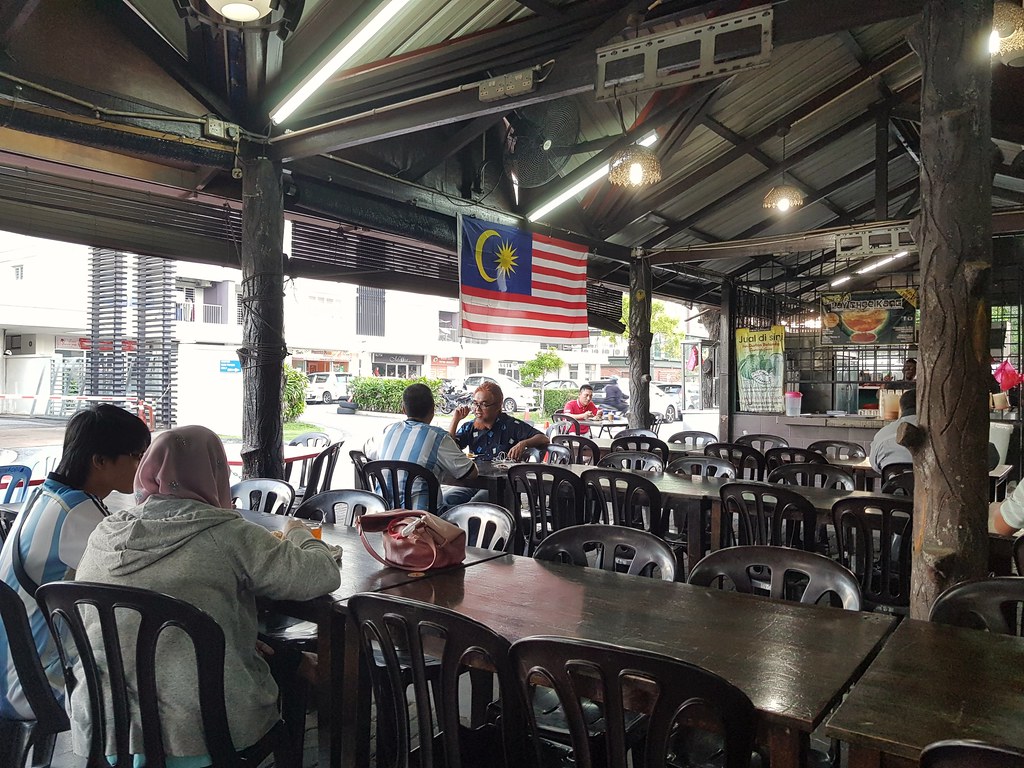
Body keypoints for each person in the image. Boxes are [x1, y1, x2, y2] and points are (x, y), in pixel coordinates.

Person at [69, 426, 341, 763]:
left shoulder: (106, 531)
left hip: (109, 725)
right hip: (202, 730)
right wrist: (300, 534)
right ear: (215, 474)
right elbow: (320, 575)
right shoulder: (228, 533)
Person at [0, 403, 151, 719]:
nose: (143, 465)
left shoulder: (45, 497)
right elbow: (142, 581)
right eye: (137, 456)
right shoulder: (79, 517)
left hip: (10, 669)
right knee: (164, 675)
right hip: (34, 685)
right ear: (100, 461)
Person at [365, 382, 480, 510]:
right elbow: (471, 473)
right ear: (433, 409)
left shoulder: (387, 431)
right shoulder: (438, 437)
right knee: (472, 508)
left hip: (382, 515)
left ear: (404, 409)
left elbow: (366, 450)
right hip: (422, 522)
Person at [449, 380, 548, 463]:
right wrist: (455, 420)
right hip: (475, 479)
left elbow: (543, 438)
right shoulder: (469, 427)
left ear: (497, 406)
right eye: (475, 403)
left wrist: (523, 443)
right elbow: (449, 449)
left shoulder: (512, 425)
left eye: (484, 404)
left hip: (504, 482)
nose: (477, 409)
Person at [869, 388, 917, 473]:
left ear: (901, 408)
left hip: (894, 485)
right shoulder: (937, 434)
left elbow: (875, 465)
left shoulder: (883, 434)